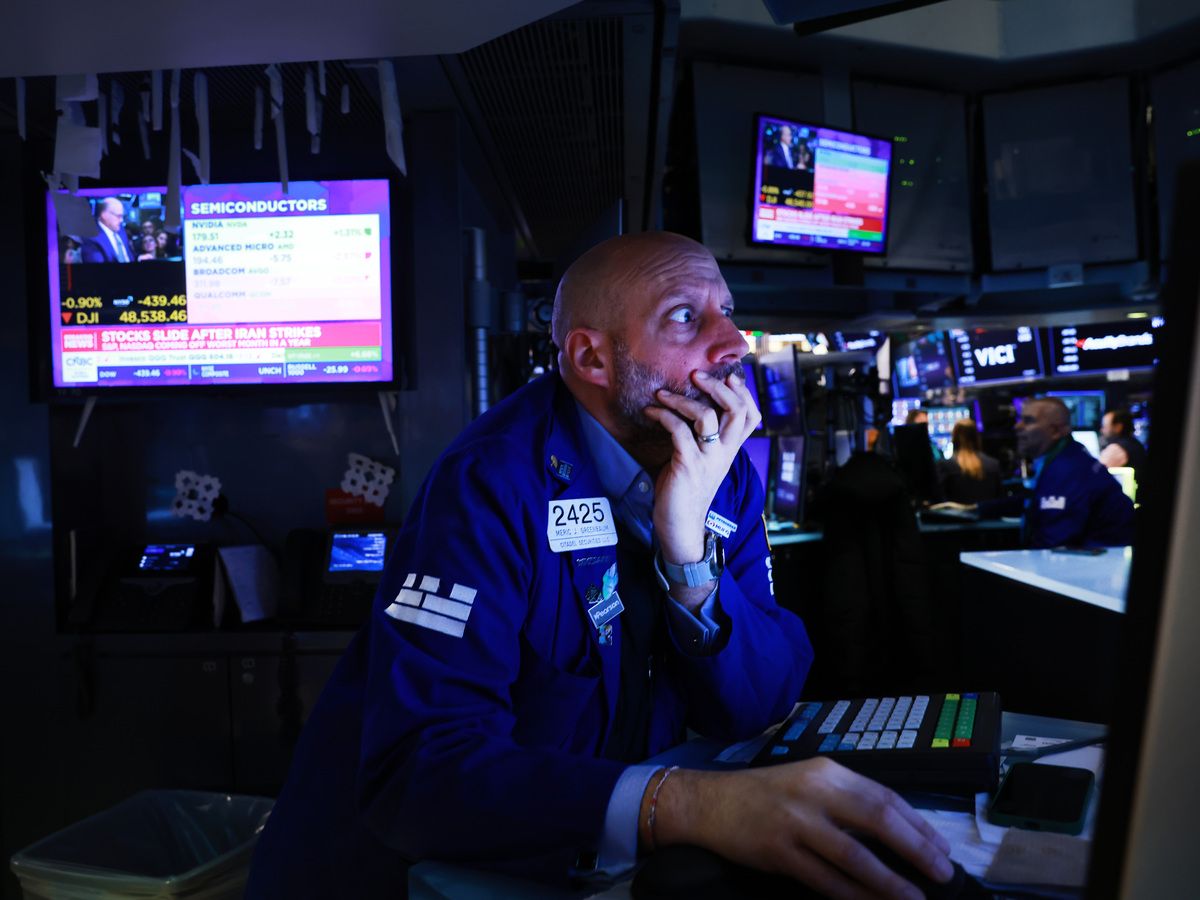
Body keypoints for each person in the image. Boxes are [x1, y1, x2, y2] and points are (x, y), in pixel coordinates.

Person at [247, 232, 954, 899]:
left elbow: (761, 704)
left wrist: (687, 555)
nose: (735, 342)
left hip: (587, 869)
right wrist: (683, 806)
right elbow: (420, 770)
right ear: (592, 359)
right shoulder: (489, 483)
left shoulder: (723, 472)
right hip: (411, 881)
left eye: (728, 313)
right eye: (685, 317)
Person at [977, 397, 1134, 547]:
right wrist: (977, 508)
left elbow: (1054, 545)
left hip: (1093, 567)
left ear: (1055, 431)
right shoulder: (1064, 458)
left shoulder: (1069, 469)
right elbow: (1037, 499)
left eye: (1028, 421)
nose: (1017, 427)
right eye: (1020, 420)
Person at [936, 419, 1003, 504]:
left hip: (956, 517)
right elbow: (999, 499)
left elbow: (939, 500)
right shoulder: (993, 464)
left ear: (954, 439)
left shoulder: (944, 466)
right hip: (986, 516)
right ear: (976, 437)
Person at [80, 197, 136, 263]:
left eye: (122, 216)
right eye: (118, 216)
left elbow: (128, 255)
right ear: (104, 215)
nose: (121, 220)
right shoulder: (91, 238)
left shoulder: (120, 229)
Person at [1098, 408, 1147, 483]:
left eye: (1105, 426)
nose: (1102, 430)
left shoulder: (1118, 448)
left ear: (1118, 427)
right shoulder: (1135, 443)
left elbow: (1096, 472)